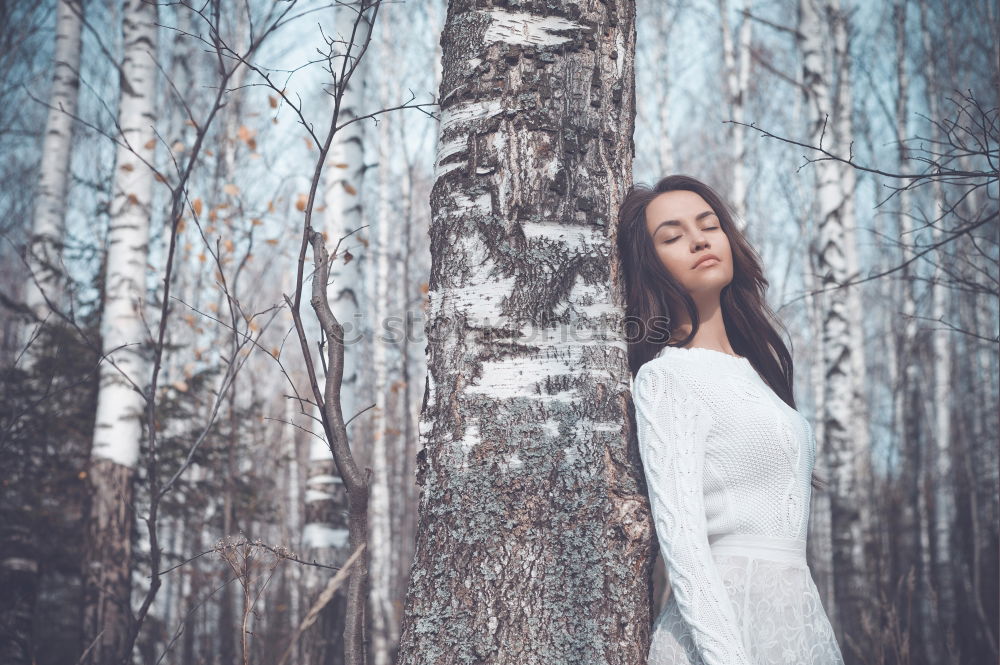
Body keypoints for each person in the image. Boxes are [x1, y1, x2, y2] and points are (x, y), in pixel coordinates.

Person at [617, 174, 845, 664]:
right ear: (649, 264)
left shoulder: (758, 372)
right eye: (672, 236)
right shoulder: (667, 377)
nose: (699, 239)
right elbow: (684, 546)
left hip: (795, 623)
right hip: (718, 635)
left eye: (709, 225)